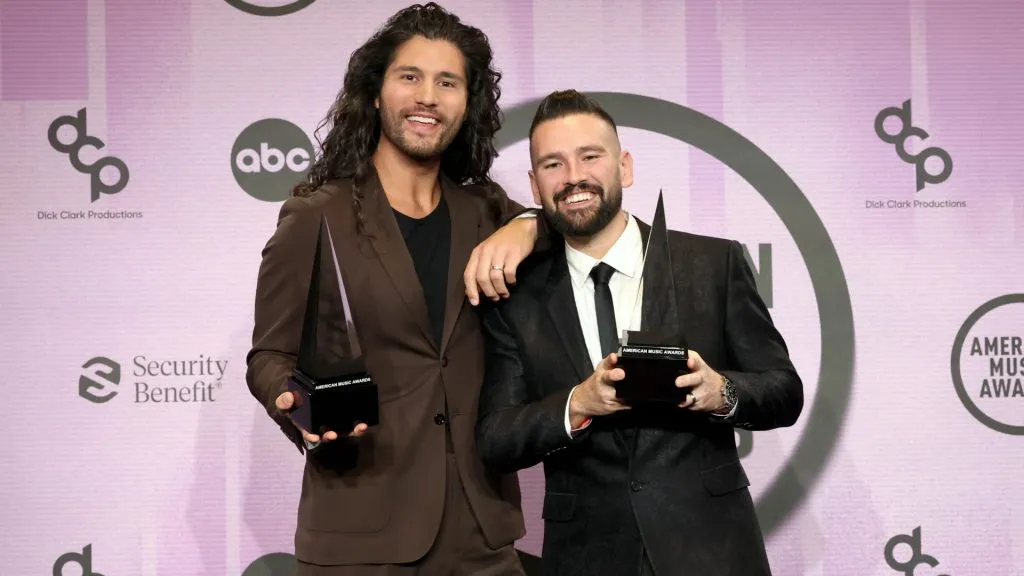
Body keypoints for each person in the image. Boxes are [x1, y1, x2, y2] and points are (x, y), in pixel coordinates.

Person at [245, 4, 546, 574]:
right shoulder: (317, 214)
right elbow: (269, 354)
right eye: (410, 76)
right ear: (376, 93)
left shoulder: (488, 210)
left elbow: (569, 229)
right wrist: (297, 405)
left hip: (482, 533)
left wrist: (528, 225)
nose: (428, 97)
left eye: (447, 82)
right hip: (361, 533)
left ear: (467, 102)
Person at [475, 89, 804, 576]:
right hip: (586, 556)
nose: (574, 177)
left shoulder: (713, 265)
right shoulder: (516, 298)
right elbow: (495, 438)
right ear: (534, 184)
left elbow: (784, 391)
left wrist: (721, 392)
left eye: (590, 156)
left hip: (713, 552)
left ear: (624, 167)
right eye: (553, 164)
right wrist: (579, 403)